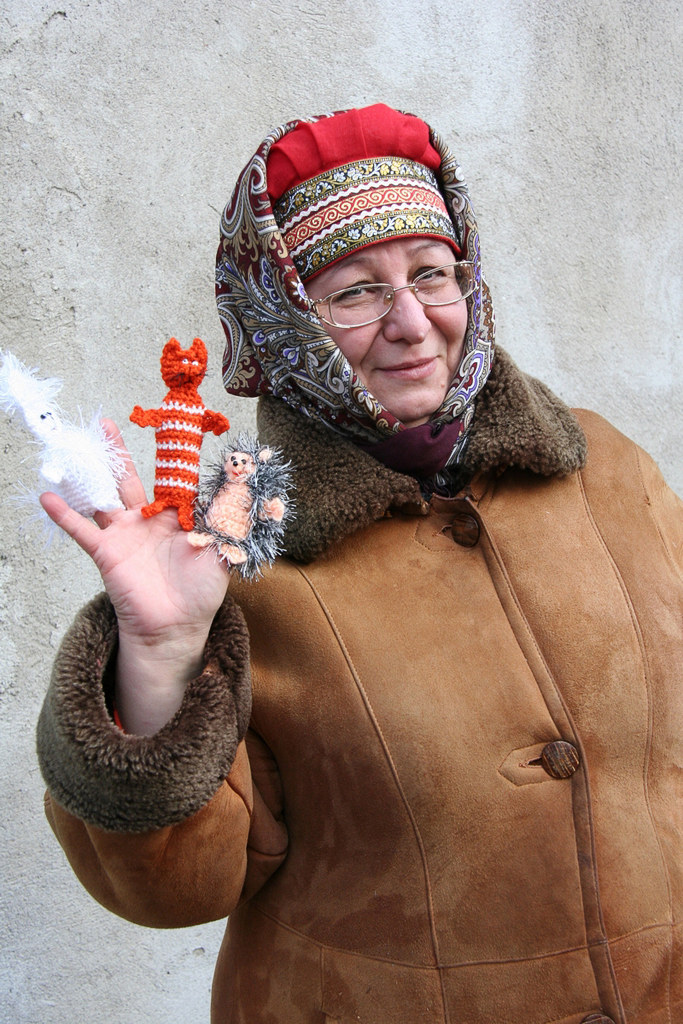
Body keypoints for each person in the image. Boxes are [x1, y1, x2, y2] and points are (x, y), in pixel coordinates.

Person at [36, 104, 683, 1024]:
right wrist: (157, 654)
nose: (412, 323)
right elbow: (174, 887)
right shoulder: (232, 542)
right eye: (355, 293)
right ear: (282, 320)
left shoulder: (604, 468)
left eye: (431, 274)